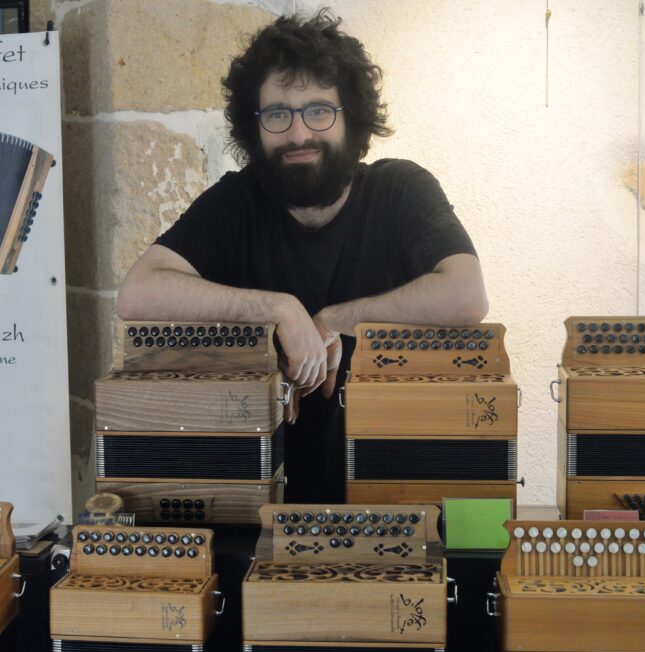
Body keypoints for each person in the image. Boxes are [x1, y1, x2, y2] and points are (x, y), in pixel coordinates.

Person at [116, 10, 488, 503]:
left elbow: (466, 295)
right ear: (255, 127)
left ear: (351, 116)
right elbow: (137, 293)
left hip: (391, 498)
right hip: (256, 503)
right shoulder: (237, 202)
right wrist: (280, 309)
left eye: (318, 111)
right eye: (277, 114)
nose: (297, 135)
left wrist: (335, 320)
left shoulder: (401, 191)